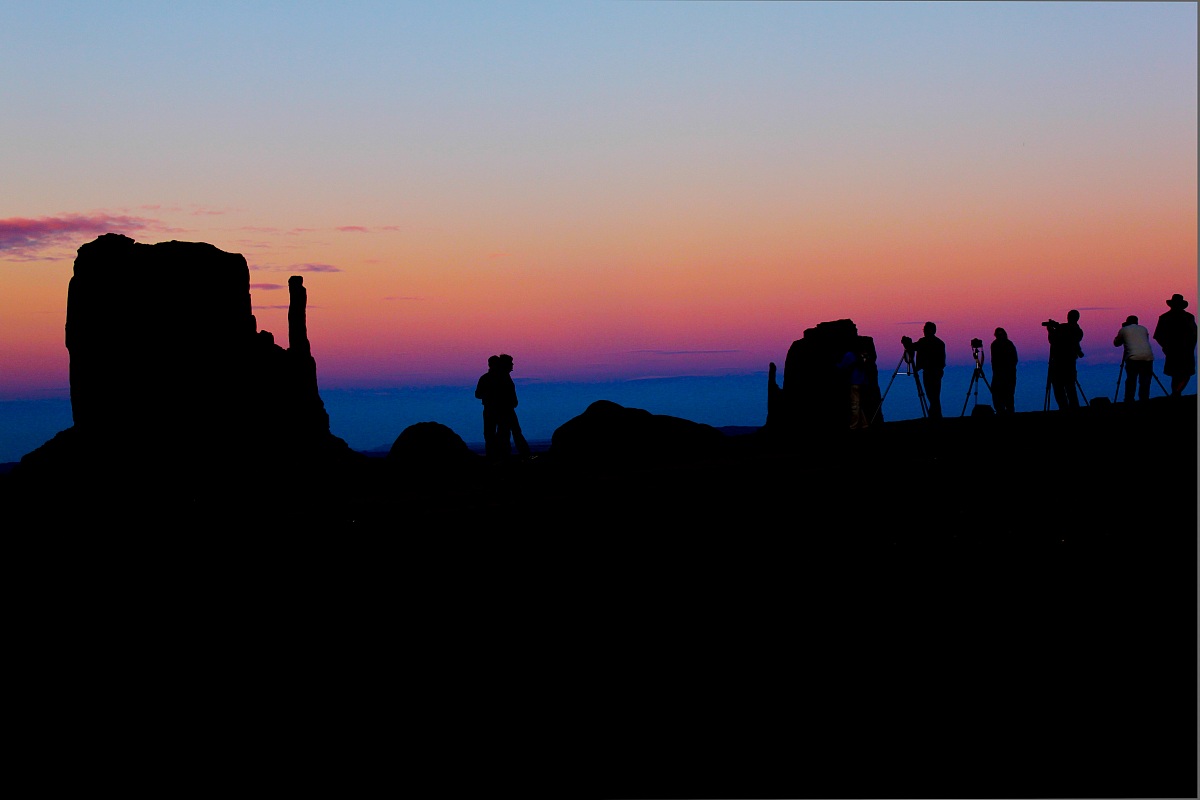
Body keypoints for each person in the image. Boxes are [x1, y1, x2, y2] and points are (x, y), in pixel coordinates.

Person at [1153, 293, 1198, 397]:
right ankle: (1177, 393)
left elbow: (1158, 335)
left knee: (1175, 374)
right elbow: (1194, 334)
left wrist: (1165, 346)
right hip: (1185, 350)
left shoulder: (1164, 317)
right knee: (1186, 373)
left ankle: (1176, 393)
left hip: (1173, 350)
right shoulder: (1188, 317)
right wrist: (1191, 346)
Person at [902, 321, 946, 418]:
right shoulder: (939, 343)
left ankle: (934, 416)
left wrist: (906, 344)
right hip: (935, 373)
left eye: (926, 329)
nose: (924, 331)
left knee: (932, 396)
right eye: (924, 329)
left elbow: (912, 347)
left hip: (932, 373)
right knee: (934, 396)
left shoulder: (926, 342)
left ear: (932, 330)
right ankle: (935, 415)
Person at [1046, 309, 1084, 410]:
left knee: (1063, 389)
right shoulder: (1077, 331)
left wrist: (1051, 331)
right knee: (1068, 388)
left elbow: (1053, 340)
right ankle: (1070, 408)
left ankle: (1066, 408)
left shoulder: (1072, 330)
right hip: (1068, 364)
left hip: (1061, 363)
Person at [1112, 314, 1154, 402]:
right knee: (1145, 380)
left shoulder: (1124, 329)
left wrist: (1123, 330)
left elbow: (1116, 343)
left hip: (1133, 358)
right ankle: (1144, 398)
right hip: (1148, 357)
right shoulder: (1144, 329)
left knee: (1131, 379)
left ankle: (1129, 399)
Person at [836, 344, 871, 430]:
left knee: (855, 404)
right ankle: (864, 424)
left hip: (854, 382)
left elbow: (842, 366)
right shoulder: (864, 354)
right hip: (863, 382)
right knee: (860, 404)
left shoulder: (849, 355)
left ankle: (853, 426)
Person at [990, 327, 1018, 415]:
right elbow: (994, 361)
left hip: (1008, 375)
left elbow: (1014, 359)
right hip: (999, 375)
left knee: (1008, 396)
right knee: (997, 395)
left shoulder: (1009, 344)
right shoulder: (994, 345)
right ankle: (1001, 411)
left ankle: (1008, 411)